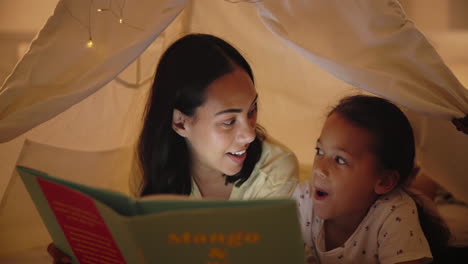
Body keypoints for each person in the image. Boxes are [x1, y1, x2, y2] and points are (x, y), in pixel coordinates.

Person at [48, 33, 299, 263]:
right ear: (180, 123)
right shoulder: (155, 164)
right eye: (228, 122)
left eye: (252, 110)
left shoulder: (275, 172)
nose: (249, 135)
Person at [293, 95, 450, 264]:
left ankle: (427, 178)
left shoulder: (393, 213)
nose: (319, 169)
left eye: (340, 159)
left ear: (383, 181)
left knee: (423, 197)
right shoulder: (303, 200)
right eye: (319, 151)